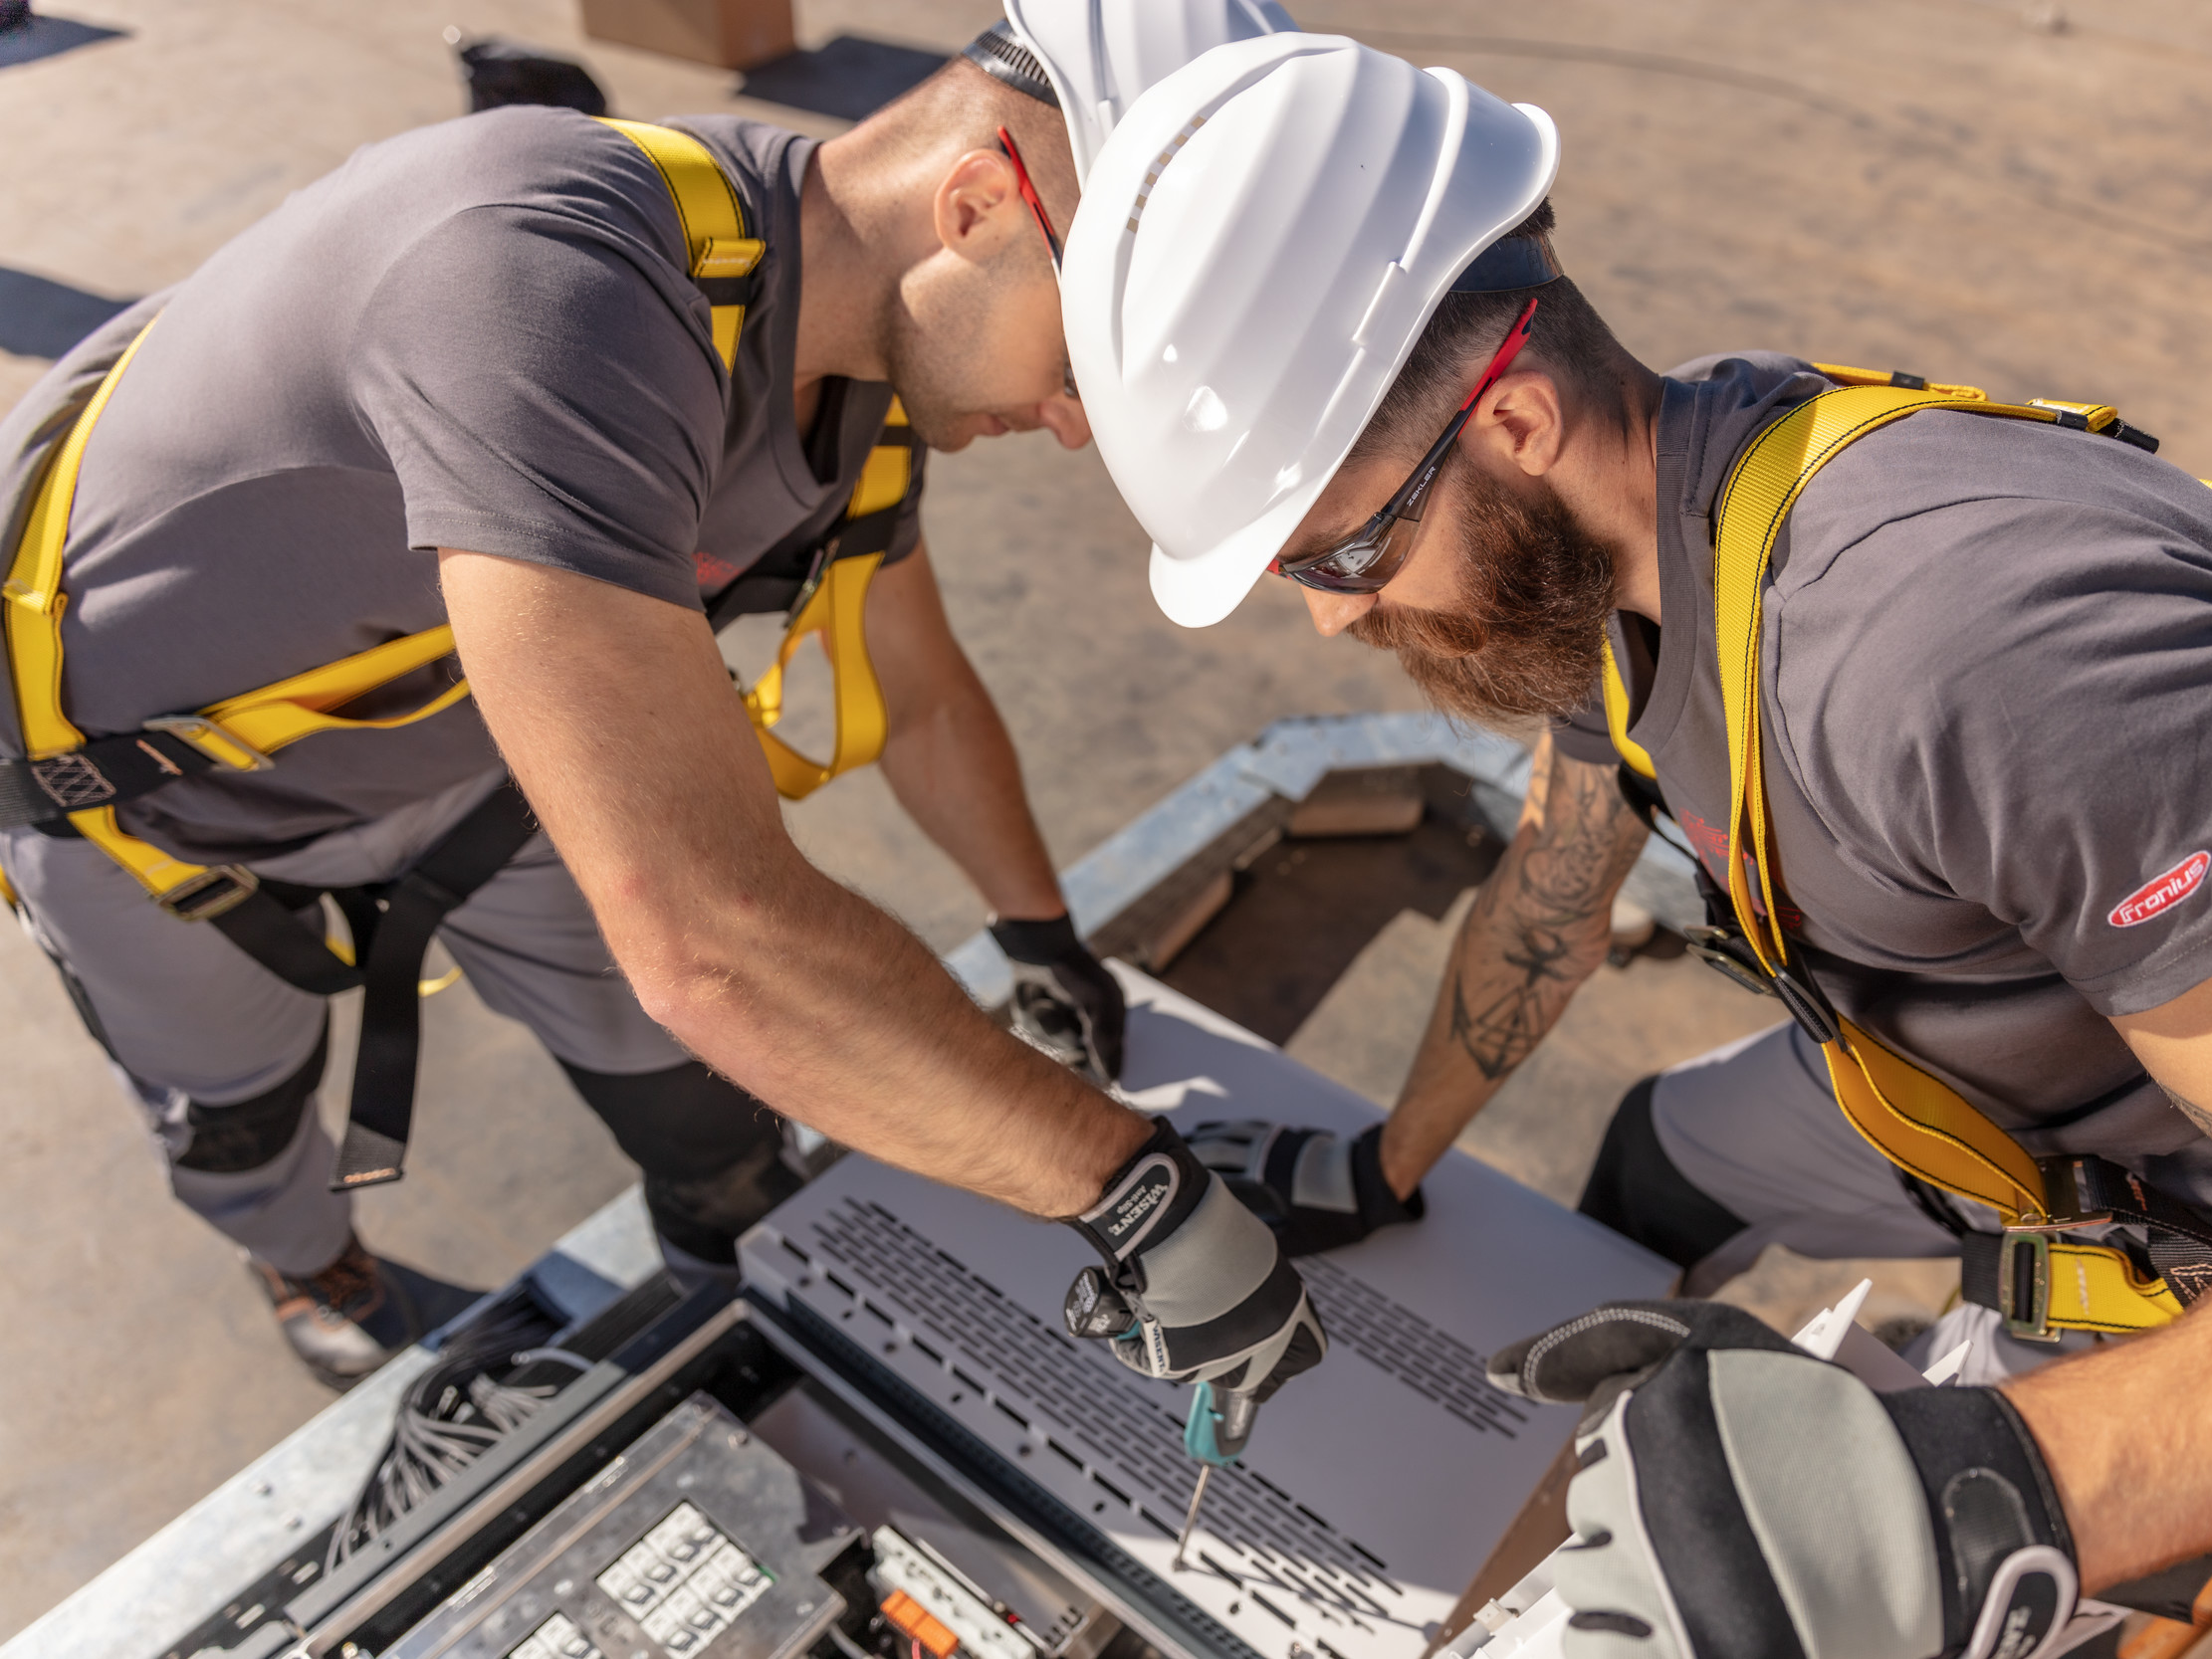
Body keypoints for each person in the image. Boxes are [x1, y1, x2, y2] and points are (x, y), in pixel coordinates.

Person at [1061, 33, 2212, 1654]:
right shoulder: (1646, 530)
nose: (1336, 624)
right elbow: (1554, 887)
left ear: (1513, 422)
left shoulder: (1956, 655)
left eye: (1340, 552)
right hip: (1980, 1042)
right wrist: (1386, 1165)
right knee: (1658, 1163)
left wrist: (1968, 1496)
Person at [0, 0, 1322, 1407]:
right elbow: (709, 940)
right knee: (243, 1116)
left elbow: (922, 702)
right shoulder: (540, 290)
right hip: (155, 811)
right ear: (982, 203)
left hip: (473, 752)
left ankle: (737, 1253)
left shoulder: (857, 374)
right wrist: (1130, 1190)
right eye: (1085, 371)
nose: (1072, 426)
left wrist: (1043, 939)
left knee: (703, 1101)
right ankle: (309, 1261)